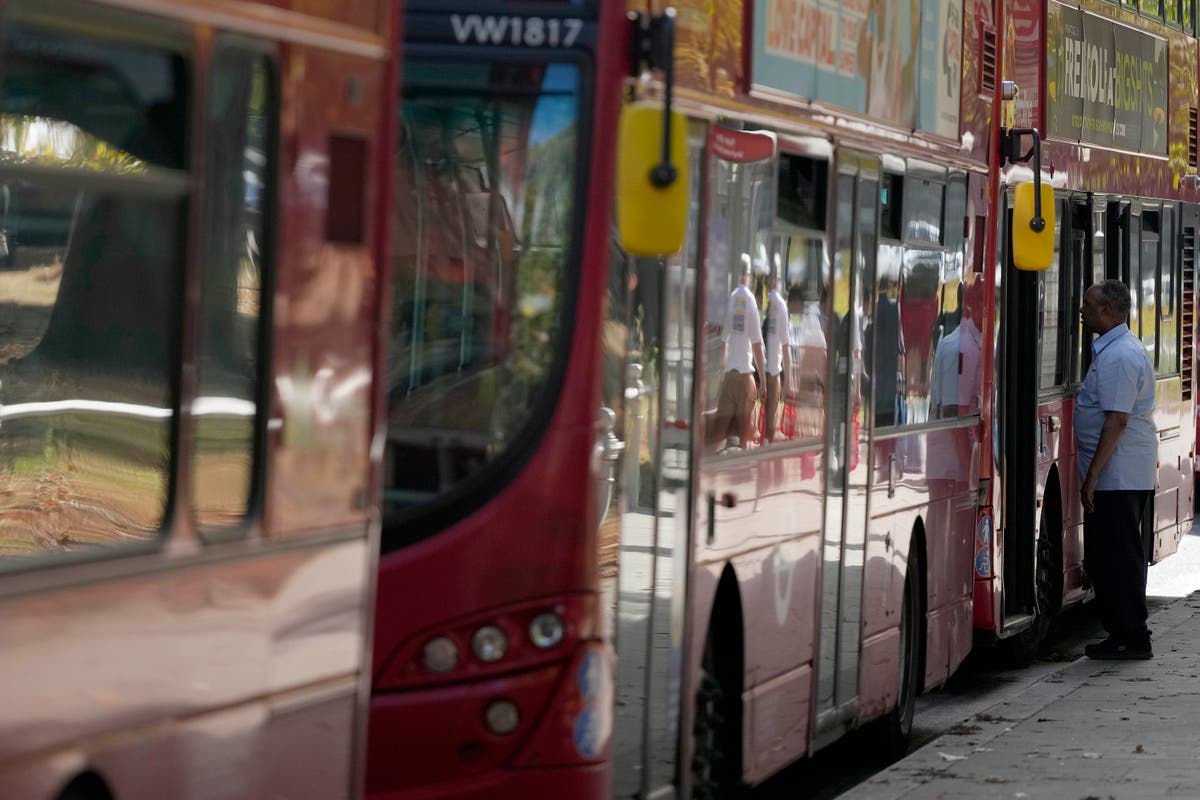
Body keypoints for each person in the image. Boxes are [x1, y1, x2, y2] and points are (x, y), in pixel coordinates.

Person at [1076, 279, 1158, 660]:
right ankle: (1121, 632)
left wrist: (1092, 475)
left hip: (1118, 476)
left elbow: (1117, 420)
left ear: (1107, 311)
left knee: (1118, 556)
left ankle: (1132, 636)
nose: (1082, 310)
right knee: (1104, 555)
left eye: (1089, 305)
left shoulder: (1120, 355)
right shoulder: (1113, 350)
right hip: (1116, 474)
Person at [710, 258, 766, 450]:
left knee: (719, 434)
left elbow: (724, 340)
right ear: (748, 275)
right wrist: (764, 382)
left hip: (730, 377)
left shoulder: (732, 298)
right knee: (746, 436)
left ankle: (712, 472)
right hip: (744, 379)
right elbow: (757, 345)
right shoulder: (750, 300)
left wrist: (723, 370)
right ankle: (744, 474)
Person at [762, 273, 789, 442]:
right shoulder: (780, 305)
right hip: (773, 371)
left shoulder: (766, 302)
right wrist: (789, 381)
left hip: (760, 368)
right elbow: (785, 347)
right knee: (771, 426)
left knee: (765, 422)